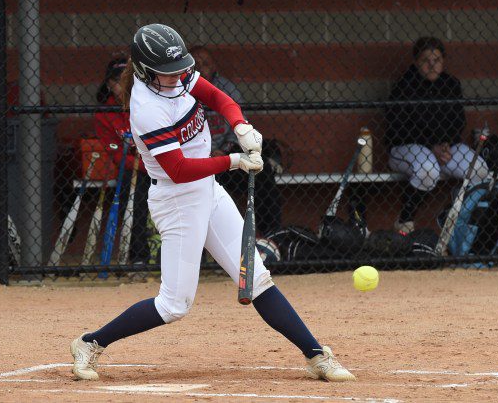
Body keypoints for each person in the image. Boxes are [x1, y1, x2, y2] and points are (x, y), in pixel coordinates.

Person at [70, 23, 355, 382]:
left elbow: (220, 99)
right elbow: (178, 168)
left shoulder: (176, 73)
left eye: (179, 70)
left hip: (207, 188)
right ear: (144, 71)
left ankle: (316, 355)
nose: (177, 78)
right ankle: (90, 343)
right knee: (174, 305)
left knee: (255, 276)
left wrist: (240, 127)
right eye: (167, 72)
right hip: (176, 198)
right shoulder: (146, 108)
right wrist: (234, 161)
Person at [385, 37, 488, 234]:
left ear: (443, 61)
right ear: (416, 62)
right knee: (427, 169)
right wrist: (432, 146)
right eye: (426, 60)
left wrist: (445, 144)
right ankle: (405, 219)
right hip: (406, 147)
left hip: (444, 147)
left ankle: (459, 215)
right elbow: (400, 128)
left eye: (437, 60)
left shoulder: (450, 84)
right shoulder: (404, 86)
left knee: (479, 169)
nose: (432, 65)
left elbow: (458, 121)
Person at [190, 45, 282, 236]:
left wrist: (223, 150)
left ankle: (271, 237)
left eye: (205, 64)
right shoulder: (182, 91)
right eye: (196, 64)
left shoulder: (226, 88)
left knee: (261, 175)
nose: (201, 68)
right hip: (195, 162)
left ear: (214, 66)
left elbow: (238, 125)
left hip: (225, 158)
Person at [93, 57, 150, 265]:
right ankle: (139, 257)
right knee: (133, 187)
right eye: (116, 81)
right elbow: (117, 155)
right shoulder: (104, 113)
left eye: (126, 80)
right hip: (134, 169)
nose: (121, 86)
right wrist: (148, 167)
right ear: (108, 84)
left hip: (162, 164)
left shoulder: (149, 105)